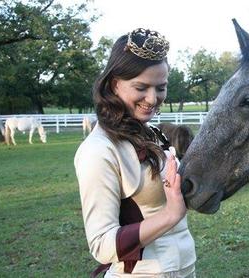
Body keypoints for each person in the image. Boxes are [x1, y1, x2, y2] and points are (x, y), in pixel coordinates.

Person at [74, 28, 196, 277]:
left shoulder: (152, 133)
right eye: (141, 87)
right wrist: (171, 214)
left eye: (160, 87)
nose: (152, 99)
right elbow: (102, 244)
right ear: (114, 84)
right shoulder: (98, 150)